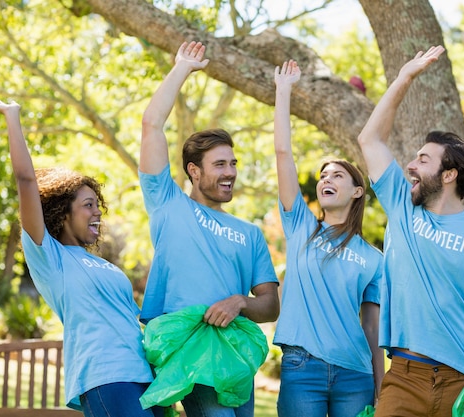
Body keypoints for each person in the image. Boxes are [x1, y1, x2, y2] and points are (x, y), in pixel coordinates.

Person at [356, 46, 464, 417]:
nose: (410, 164)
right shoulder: (402, 207)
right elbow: (370, 140)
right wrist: (403, 78)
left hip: (463, 382)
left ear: (449, 174)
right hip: (405, 378)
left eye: (423, 160)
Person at [0, 97, 163, 417]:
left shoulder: (106, 266)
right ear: (62, 212)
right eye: (88, 205)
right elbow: (26, 181)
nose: (98, 213)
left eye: (98, 205)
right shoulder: (51, 259)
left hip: (145, 378)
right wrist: (13, 116)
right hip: (106, 377)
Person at [138, 40, 280, 417]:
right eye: (220, 164)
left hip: (235, 355)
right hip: (187, 349)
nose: (230, 172)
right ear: (194, 171)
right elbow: (151, 124)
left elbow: (270, 304)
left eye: (233, 163)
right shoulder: (168, 203)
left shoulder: (249, 232)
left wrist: (240, 302)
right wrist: (182, 67)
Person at [272, 60, 384, 417]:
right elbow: (283, 154)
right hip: (302, 368)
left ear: (356, 192)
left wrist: (381, 388)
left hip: (356, 375)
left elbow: (372, 328)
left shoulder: (374, 259)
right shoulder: (301, 227)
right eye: (323, 176)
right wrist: (284, 90)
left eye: (337, 175)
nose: (325, 179)